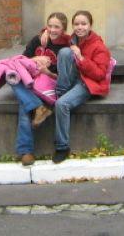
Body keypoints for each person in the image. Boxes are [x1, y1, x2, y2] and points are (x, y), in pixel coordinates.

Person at [9, 12, 71, 166]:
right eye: (50, 26)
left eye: (57, 27)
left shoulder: (67, 47)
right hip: (32, 82)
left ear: (64, 29)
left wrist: (47, 72)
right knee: (10, 75)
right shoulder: (38, 40)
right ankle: (38, 107)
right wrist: (36, 59)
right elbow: (22, 61)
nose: (52, 30)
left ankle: (26, 152)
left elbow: (65, 78)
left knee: (25, 106)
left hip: (50, 87)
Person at [52, 10, 111, 164]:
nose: (80, 27)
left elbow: (100, 74)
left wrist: (81, 57)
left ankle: (62, 147)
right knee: (65, 52)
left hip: (87, 83)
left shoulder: (99, 46)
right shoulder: (72, 39)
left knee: (61, 104)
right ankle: (62, 93)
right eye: (76, 24)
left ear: (90, 25)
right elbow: (56, 31)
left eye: (84, 24)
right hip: (73, 78)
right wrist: (44, 32)